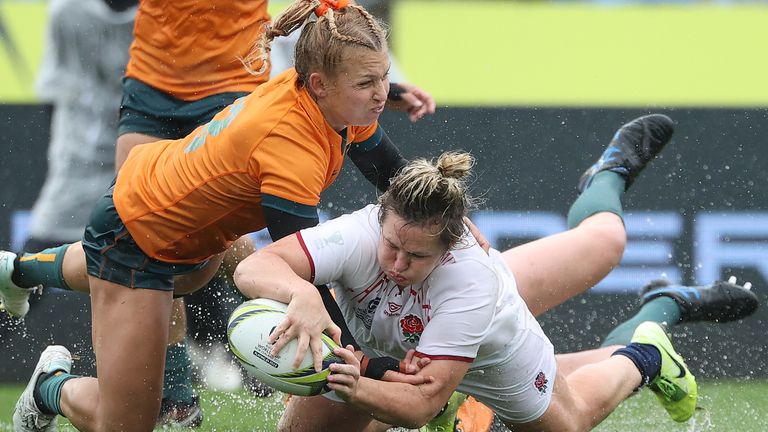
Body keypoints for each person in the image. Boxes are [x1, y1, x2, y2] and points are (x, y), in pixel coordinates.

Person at [1, 2, 429, 430]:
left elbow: (390, 173)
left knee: (192, 276)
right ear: (321, 84)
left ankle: (18, 270)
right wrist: (364, 363)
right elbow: (301, 269)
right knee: (127, 425)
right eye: (366, 82)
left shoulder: (333, 105)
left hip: (172, 213)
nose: (380, 93)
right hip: (139, 238)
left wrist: (447, 221)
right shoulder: (290, 148)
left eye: (383, 77)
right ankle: (49, 388)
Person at [233, 114, 707, 431]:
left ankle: (644, 352)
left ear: (449, 247)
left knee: (572, 416)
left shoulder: (470, 280)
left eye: (415, 257)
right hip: (396, 338)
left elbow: (417, 408)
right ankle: (452, 399)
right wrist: (303, 294)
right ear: (382, 219)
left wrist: (360, 381)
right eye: (392, 245)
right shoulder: (361, 232)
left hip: (489, 348)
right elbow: (257, 265)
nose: (397, 264)